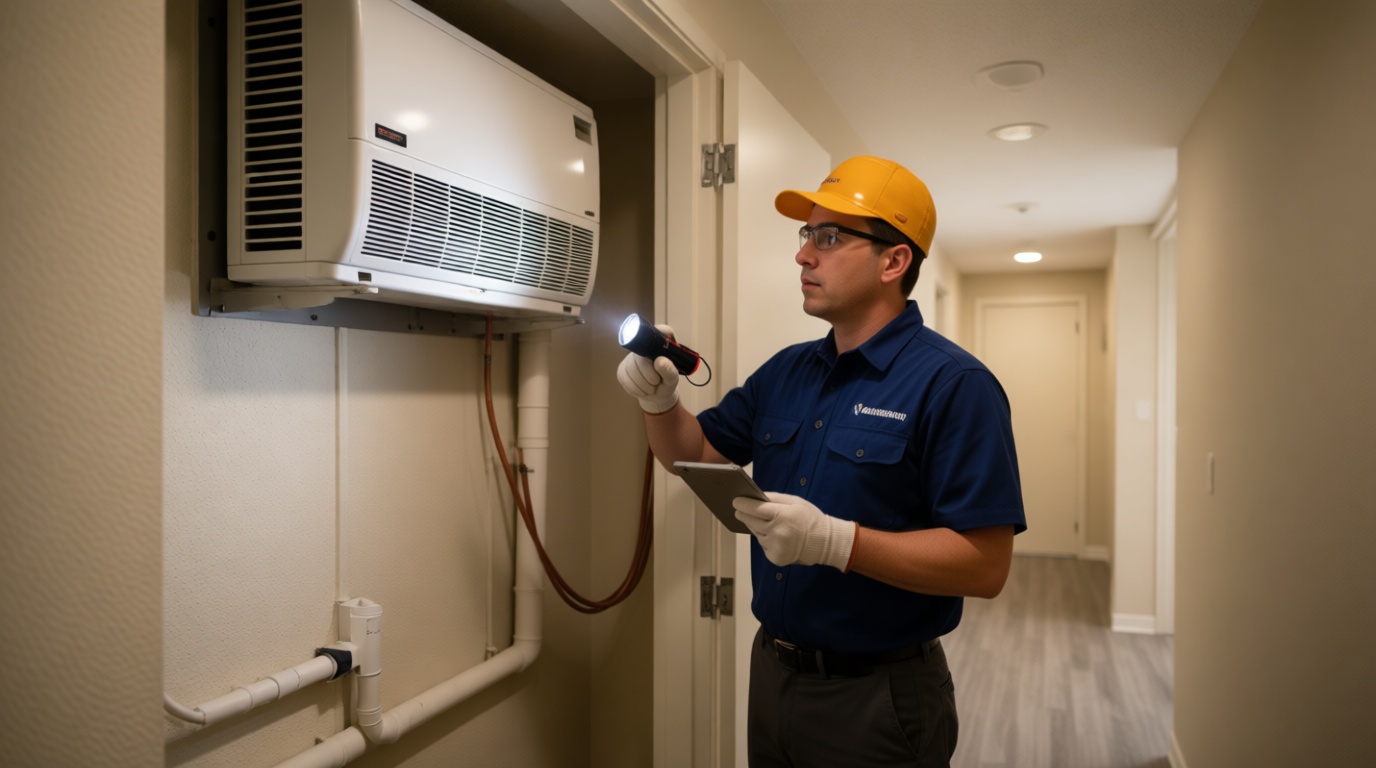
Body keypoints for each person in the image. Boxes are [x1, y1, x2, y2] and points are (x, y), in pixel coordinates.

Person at [617, 155, 1026, 767]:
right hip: (773, 674)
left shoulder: (955, 384)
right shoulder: (787, 370)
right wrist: (660, 402)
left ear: (894, 261)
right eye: (806, 234)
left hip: (878, 698)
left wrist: (837, 542)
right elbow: (692, 454)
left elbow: (985, 566)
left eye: (830, 237)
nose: (804, 255)